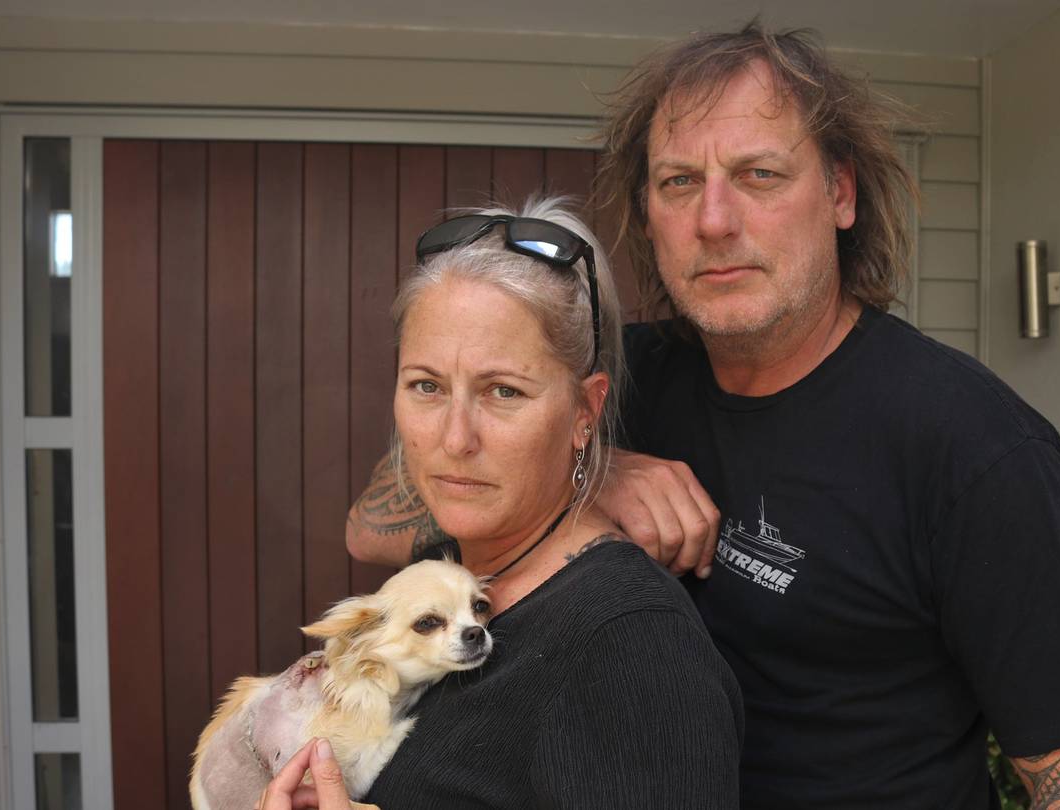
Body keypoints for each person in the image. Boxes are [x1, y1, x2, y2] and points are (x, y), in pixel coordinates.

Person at [349, 24, 1060, 810]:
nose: (714, 220)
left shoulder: (972, 446)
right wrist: (593, 473)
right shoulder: (621, 382)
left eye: (759, 175)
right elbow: (373, 523)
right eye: (679, 183)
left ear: (840, 192)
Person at [288, 197, 742, 808]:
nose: (454, 440)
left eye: (503, 391)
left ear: (586, 412)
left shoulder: (630, 649)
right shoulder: (460, 569)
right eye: (426, 386)